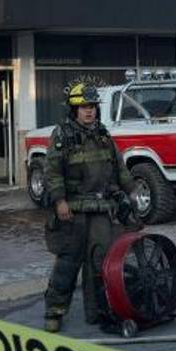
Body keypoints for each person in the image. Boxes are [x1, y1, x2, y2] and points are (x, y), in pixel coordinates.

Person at [42, 82, 139, 332]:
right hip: (72, 209)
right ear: (74, 109)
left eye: (93, 107)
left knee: (100, 261)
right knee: (68, 263)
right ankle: (54, 311)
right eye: (84, 107)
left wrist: (131, 190)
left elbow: (118, 166)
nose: (90, 111)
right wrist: (60, 201)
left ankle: (97, 312)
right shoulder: (62, 135)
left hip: (100, 208)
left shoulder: (103, 134)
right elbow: (52, 172)